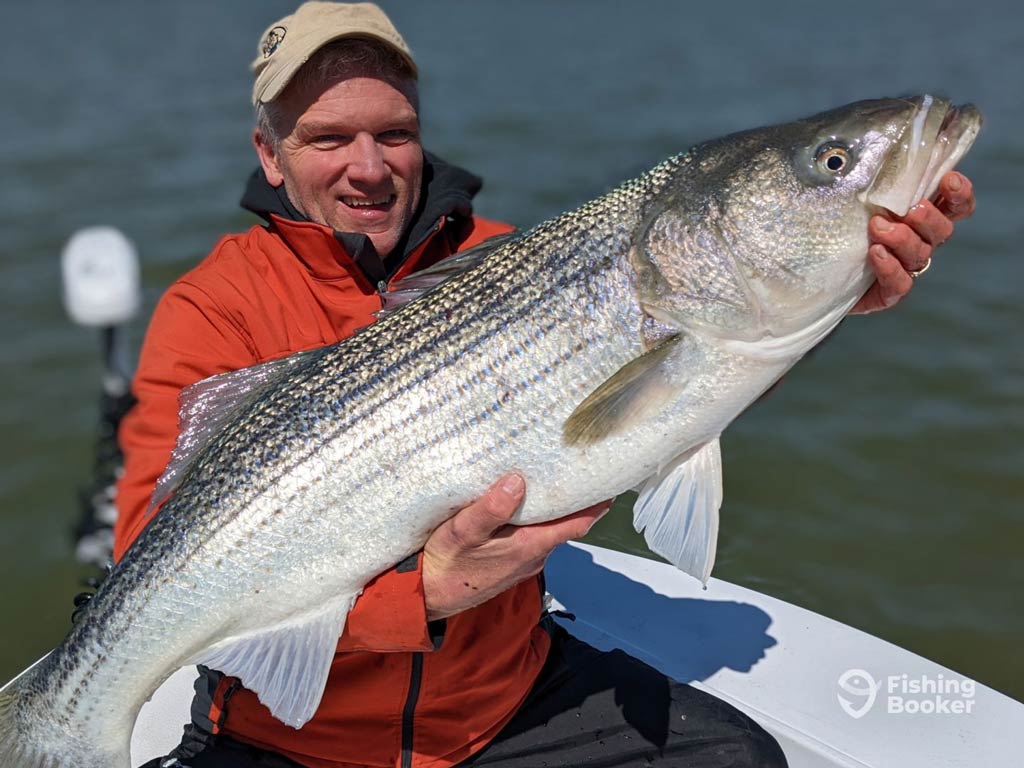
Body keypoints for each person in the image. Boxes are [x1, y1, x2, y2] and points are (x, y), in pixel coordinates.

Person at [118, 3, 977, 767]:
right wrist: (423, 596)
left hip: (502, 709)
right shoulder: (210, 308)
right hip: (291, 741)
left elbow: (685, 392)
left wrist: (828, 298)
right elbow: (147, 552)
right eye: (327, 139)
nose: (369, 167)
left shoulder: (508, 258)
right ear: (269, 154)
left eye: (395, 132)